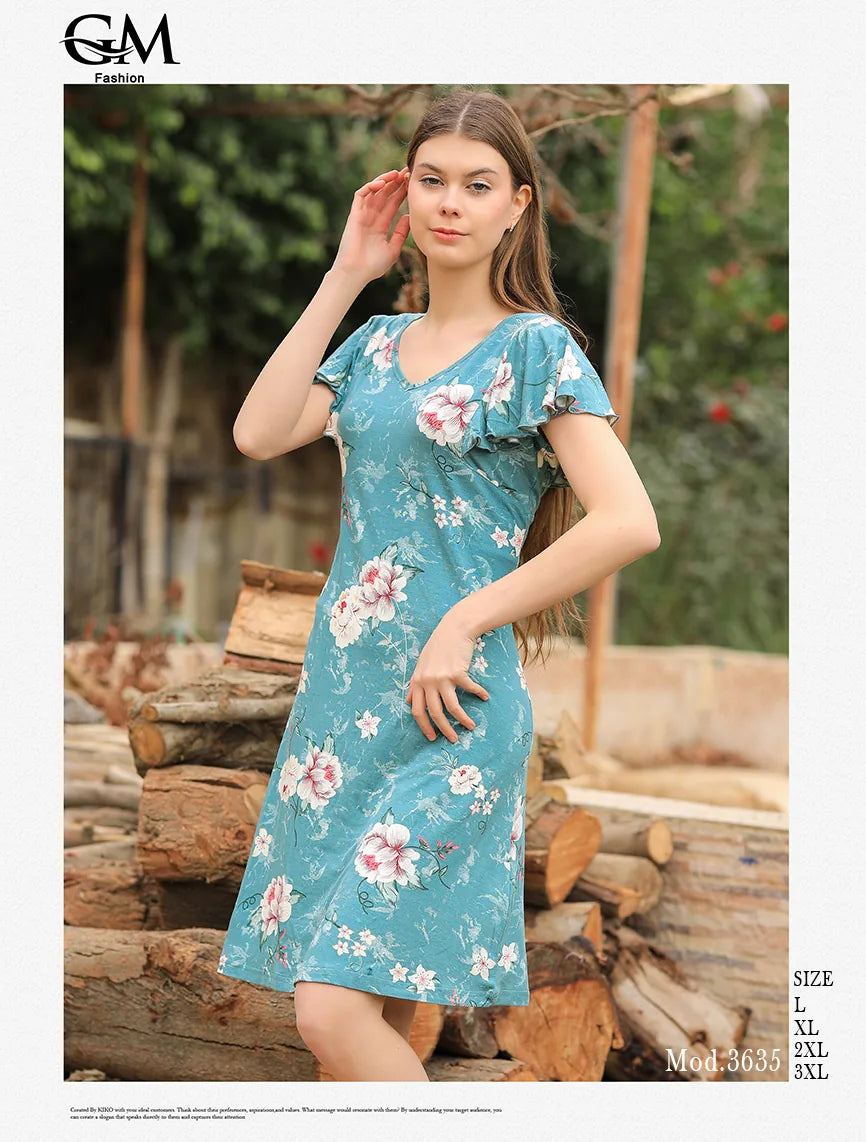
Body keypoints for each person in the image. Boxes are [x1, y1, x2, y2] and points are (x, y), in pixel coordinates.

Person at [218, 88, 660, 1083]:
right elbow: (256, 431)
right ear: (404, 194)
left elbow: (629, 520)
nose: (448, 202)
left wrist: (466, 615)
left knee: (332, 1008)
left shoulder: (533, 349)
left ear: (517, 206)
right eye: (431, 180)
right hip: (339, 715)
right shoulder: (372, 345)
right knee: (326, 1015)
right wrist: (344, 275)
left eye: (476, 184)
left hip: (451, 712)